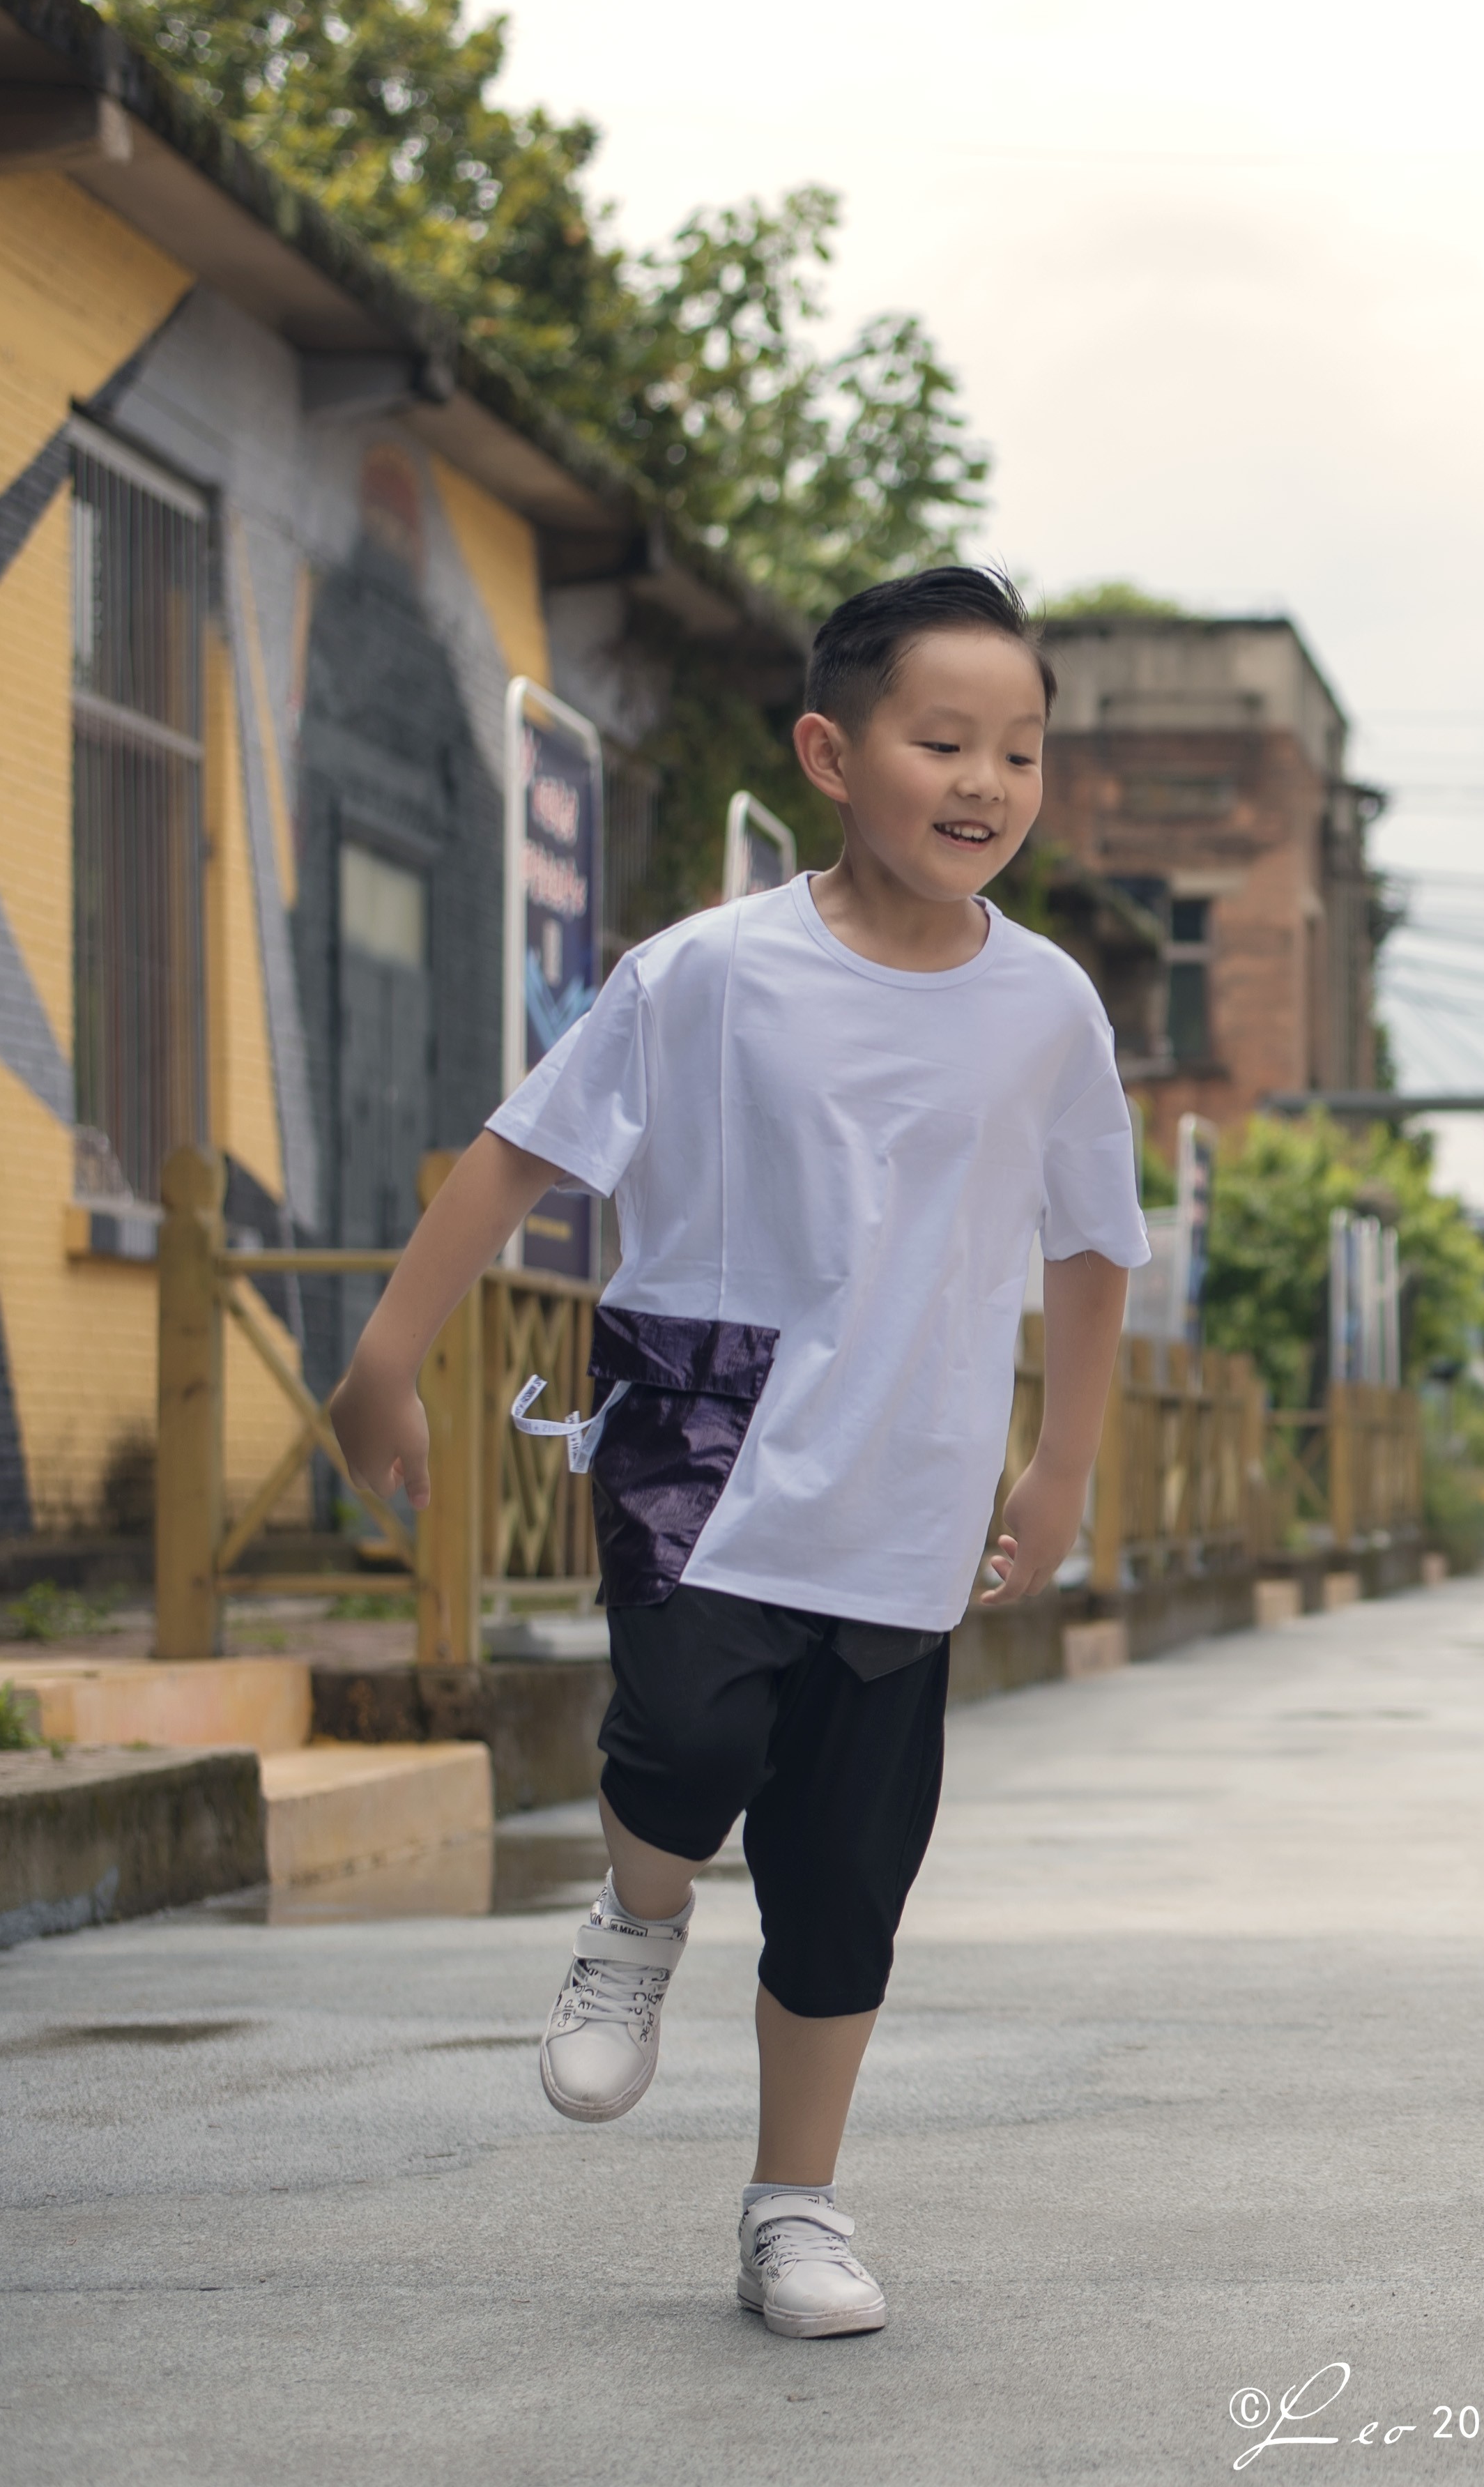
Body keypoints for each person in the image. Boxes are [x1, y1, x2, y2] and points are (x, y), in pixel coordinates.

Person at [328, 565, 1146, 2336]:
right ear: (831, 753)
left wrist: (1061, 1464)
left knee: (848, 1871)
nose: (986, 783)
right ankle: (633, 1920)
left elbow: (1093, 1248)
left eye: (1018, 751)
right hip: (702, 1427)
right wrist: (386, 1355)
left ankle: (796, 2212)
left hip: (911, 1487)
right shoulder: (703, 974)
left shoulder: (1049, 1011)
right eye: (944, 740)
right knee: (687, 1735)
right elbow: (519, 1153)